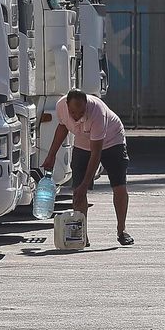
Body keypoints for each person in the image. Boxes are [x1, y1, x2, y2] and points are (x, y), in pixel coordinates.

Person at [40, 88, 132, 246]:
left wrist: (85, 185)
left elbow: (96, 154)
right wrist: (51, 155)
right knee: (77, 191)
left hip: (112, 140)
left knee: (119, 185)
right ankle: (82, 234)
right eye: (73, 112)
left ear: (87, 105)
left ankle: (121, 230)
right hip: (82, 143)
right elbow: (62, 127)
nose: (77, 116)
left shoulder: (97, 112)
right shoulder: (60, 106)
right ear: (67, 105)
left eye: (81, 112)